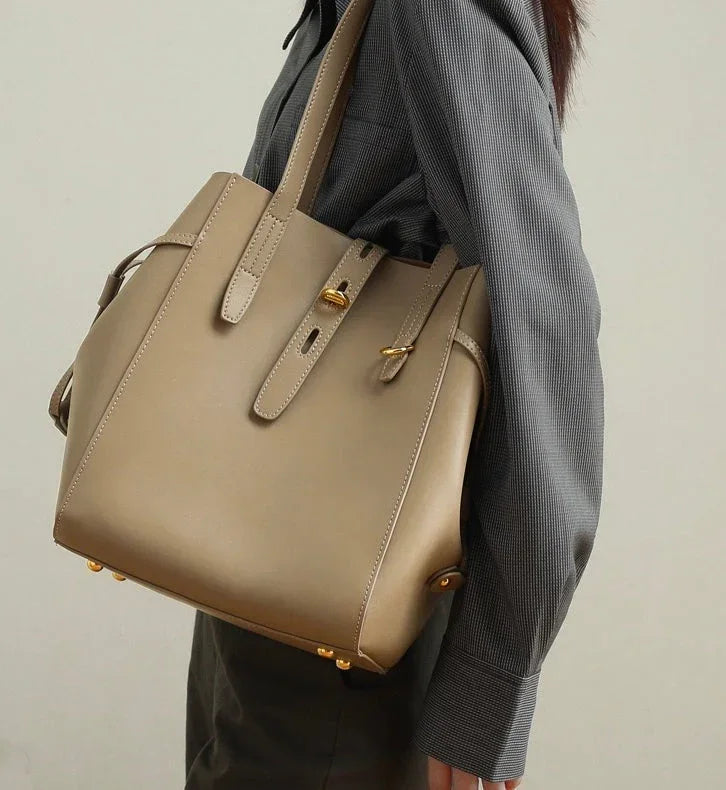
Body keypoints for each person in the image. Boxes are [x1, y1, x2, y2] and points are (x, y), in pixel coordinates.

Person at [184, 0, 604, 788]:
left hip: (352, 581)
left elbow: (544, 317)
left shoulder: (432, 8)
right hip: (256, 560)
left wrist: (490, 683)